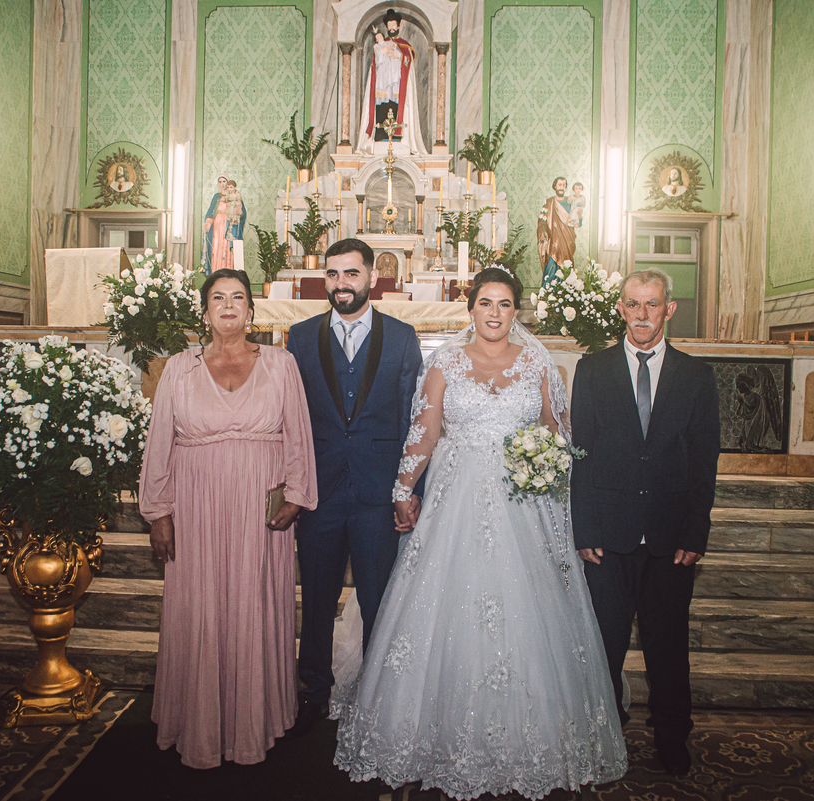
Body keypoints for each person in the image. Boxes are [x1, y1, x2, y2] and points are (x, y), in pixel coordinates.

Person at [332, 268, 628, 799]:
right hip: (456, 499)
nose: (495, 313)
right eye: (486, 303)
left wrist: (544, 464)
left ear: (518, 312)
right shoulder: (446, 362)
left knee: (530, 612)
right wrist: (404, 488)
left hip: (522, 503)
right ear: (471, 309)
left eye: (505, 304)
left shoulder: (537, 364)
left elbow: (557, 436)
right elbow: (424, 431)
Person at [139, 269, 318, 768]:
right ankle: (197, 724)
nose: (228, 305)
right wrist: (158, 513)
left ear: (251, 311)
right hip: (196, 507)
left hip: (261, 511)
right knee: (201, 606)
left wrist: (298, 496)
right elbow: (160, 445)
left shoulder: (281, 364)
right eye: (218, 297)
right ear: (205, 310)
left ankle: (255, 721)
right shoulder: (178, 368)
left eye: (238, 297)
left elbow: (298, 436)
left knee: (254, 603)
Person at [569, 267, 720, 776]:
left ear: (669, 310)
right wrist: (584, 529)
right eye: (632, 304)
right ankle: (602, 733)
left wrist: (695, 532)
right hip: (607, 539)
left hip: (670, 538)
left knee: (668, 648)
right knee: (604, 645)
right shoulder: (592, 370)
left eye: (651, 304)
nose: (642, 314)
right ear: (620, 309)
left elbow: (704, 462)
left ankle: (673, 737)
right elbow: (581, 455)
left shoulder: (697, 377)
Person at [285, 238, 423, 736]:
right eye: (333, 274)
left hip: (377, 495)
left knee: (379, 599)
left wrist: (410, 490)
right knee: (318, 599)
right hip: (319, 493)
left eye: (351, 274)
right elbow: (290, 418)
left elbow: (415, 421)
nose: (341, 284)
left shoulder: (403, 338)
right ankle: (312, 691)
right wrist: (292, 486)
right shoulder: (299, 338)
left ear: (371, 278)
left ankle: (379, 695)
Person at [357, 10, 428, 155]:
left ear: (398, 26)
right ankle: (381, 136)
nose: (391, 27)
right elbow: (376, 63)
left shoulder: (404, 46)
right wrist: (381, 50)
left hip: (397, 86)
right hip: (383, 84)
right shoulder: (382, 45)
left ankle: (398, 136)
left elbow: (408, 62)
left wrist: (399, 56)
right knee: (383, 107)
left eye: (394, 24)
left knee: (396, 107)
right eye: (389, 25)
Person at [537, 177, 577, 286]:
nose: (562, 188)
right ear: (555, 186)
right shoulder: (549, 202)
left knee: (566, 267)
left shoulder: (570, 202)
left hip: (567, 240)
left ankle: (566, 295)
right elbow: (542, 221)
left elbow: (576, 219)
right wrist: (543, 232)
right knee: (551, 266)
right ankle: (548, 293)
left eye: (564, 185)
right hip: (553, 241)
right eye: (560, 185)